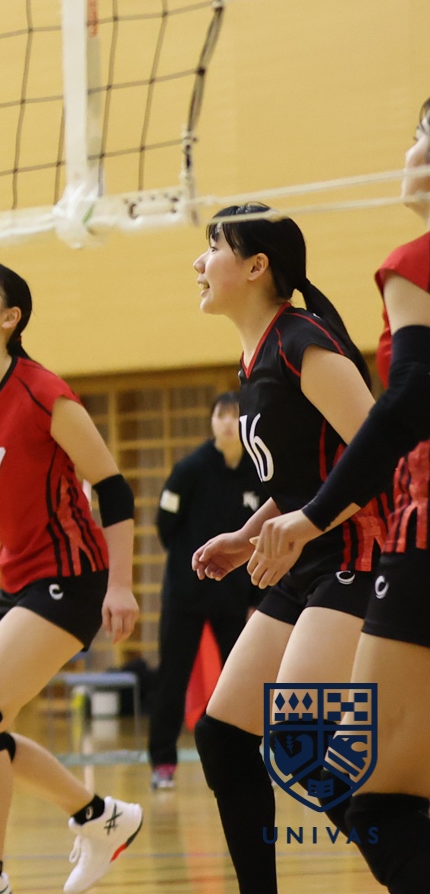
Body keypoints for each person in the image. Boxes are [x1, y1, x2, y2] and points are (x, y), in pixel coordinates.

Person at [0, 260, 144, 894]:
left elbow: (113, 487)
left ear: (10, 318)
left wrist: (121, 585)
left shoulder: (44, 393)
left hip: (73, 575)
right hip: (17, 579)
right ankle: (101, 818)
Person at [250, 97, 430, 894]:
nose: (411, 151)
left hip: (408, 541)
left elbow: (406, 402)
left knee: (380, 804)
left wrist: (313, 517)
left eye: (423, 135)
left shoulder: (413, 264)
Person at [179, 206, 379, 892]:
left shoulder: (302, 342)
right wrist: (249, 534)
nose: (199, 262)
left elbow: (377, 458)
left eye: (213, 246)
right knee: (223, 734)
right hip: (310, 560)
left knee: (299, 745)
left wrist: (303, 525)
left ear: (257, 266)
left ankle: (409, 855)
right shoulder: (257, 359)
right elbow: (304, 478)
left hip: (357, 556)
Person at [147, 390, 260, 790]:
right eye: (220, 415)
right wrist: (187, 565)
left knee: (242, 678)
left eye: (234, 415)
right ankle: (163, 762)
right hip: (187, 595)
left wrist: (255, 599)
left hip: (234, 596)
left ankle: (249, 756)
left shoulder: (257, 475)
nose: (227, 422)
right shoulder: (190, 470)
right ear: (211, 422)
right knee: (172, 679)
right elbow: (165, 525)